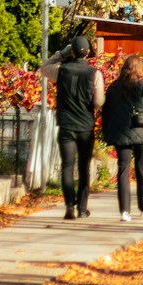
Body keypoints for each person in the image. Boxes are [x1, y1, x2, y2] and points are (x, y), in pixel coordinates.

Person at [41, 36, 105, 220]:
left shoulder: (61, 71)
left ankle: (69, 205)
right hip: (85, 126)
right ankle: (82, 209)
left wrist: (60, 54)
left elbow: (44, 68)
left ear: (73, 52)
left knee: (67, 166)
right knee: (84, 167)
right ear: (88, 54)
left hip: (66, 125)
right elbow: (99, 102)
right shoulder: (95, 74)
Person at [103, 54, 143, 222]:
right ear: (140, 68)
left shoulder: (114, 87)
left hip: (121, 135)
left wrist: (108, 134)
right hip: (141, 133)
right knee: (141, 170)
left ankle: (124, 211)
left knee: (123, 171)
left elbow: (107, 112)